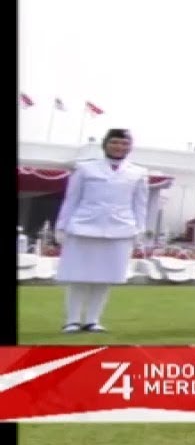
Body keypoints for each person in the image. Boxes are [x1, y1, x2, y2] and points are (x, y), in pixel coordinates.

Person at [53, 129, 148, 333]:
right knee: (78, 276)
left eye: (124, 143)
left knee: (106, 277)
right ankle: (72, 320)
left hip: (120, 228)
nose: (119, 147)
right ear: (105, 144)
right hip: (84, 226)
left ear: (130, 147)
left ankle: (92, 320)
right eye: (115, 142)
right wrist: (61, 226)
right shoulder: (85, 168)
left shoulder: (138, 172)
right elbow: (71, 199)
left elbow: (140, 204)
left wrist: (140, 229)